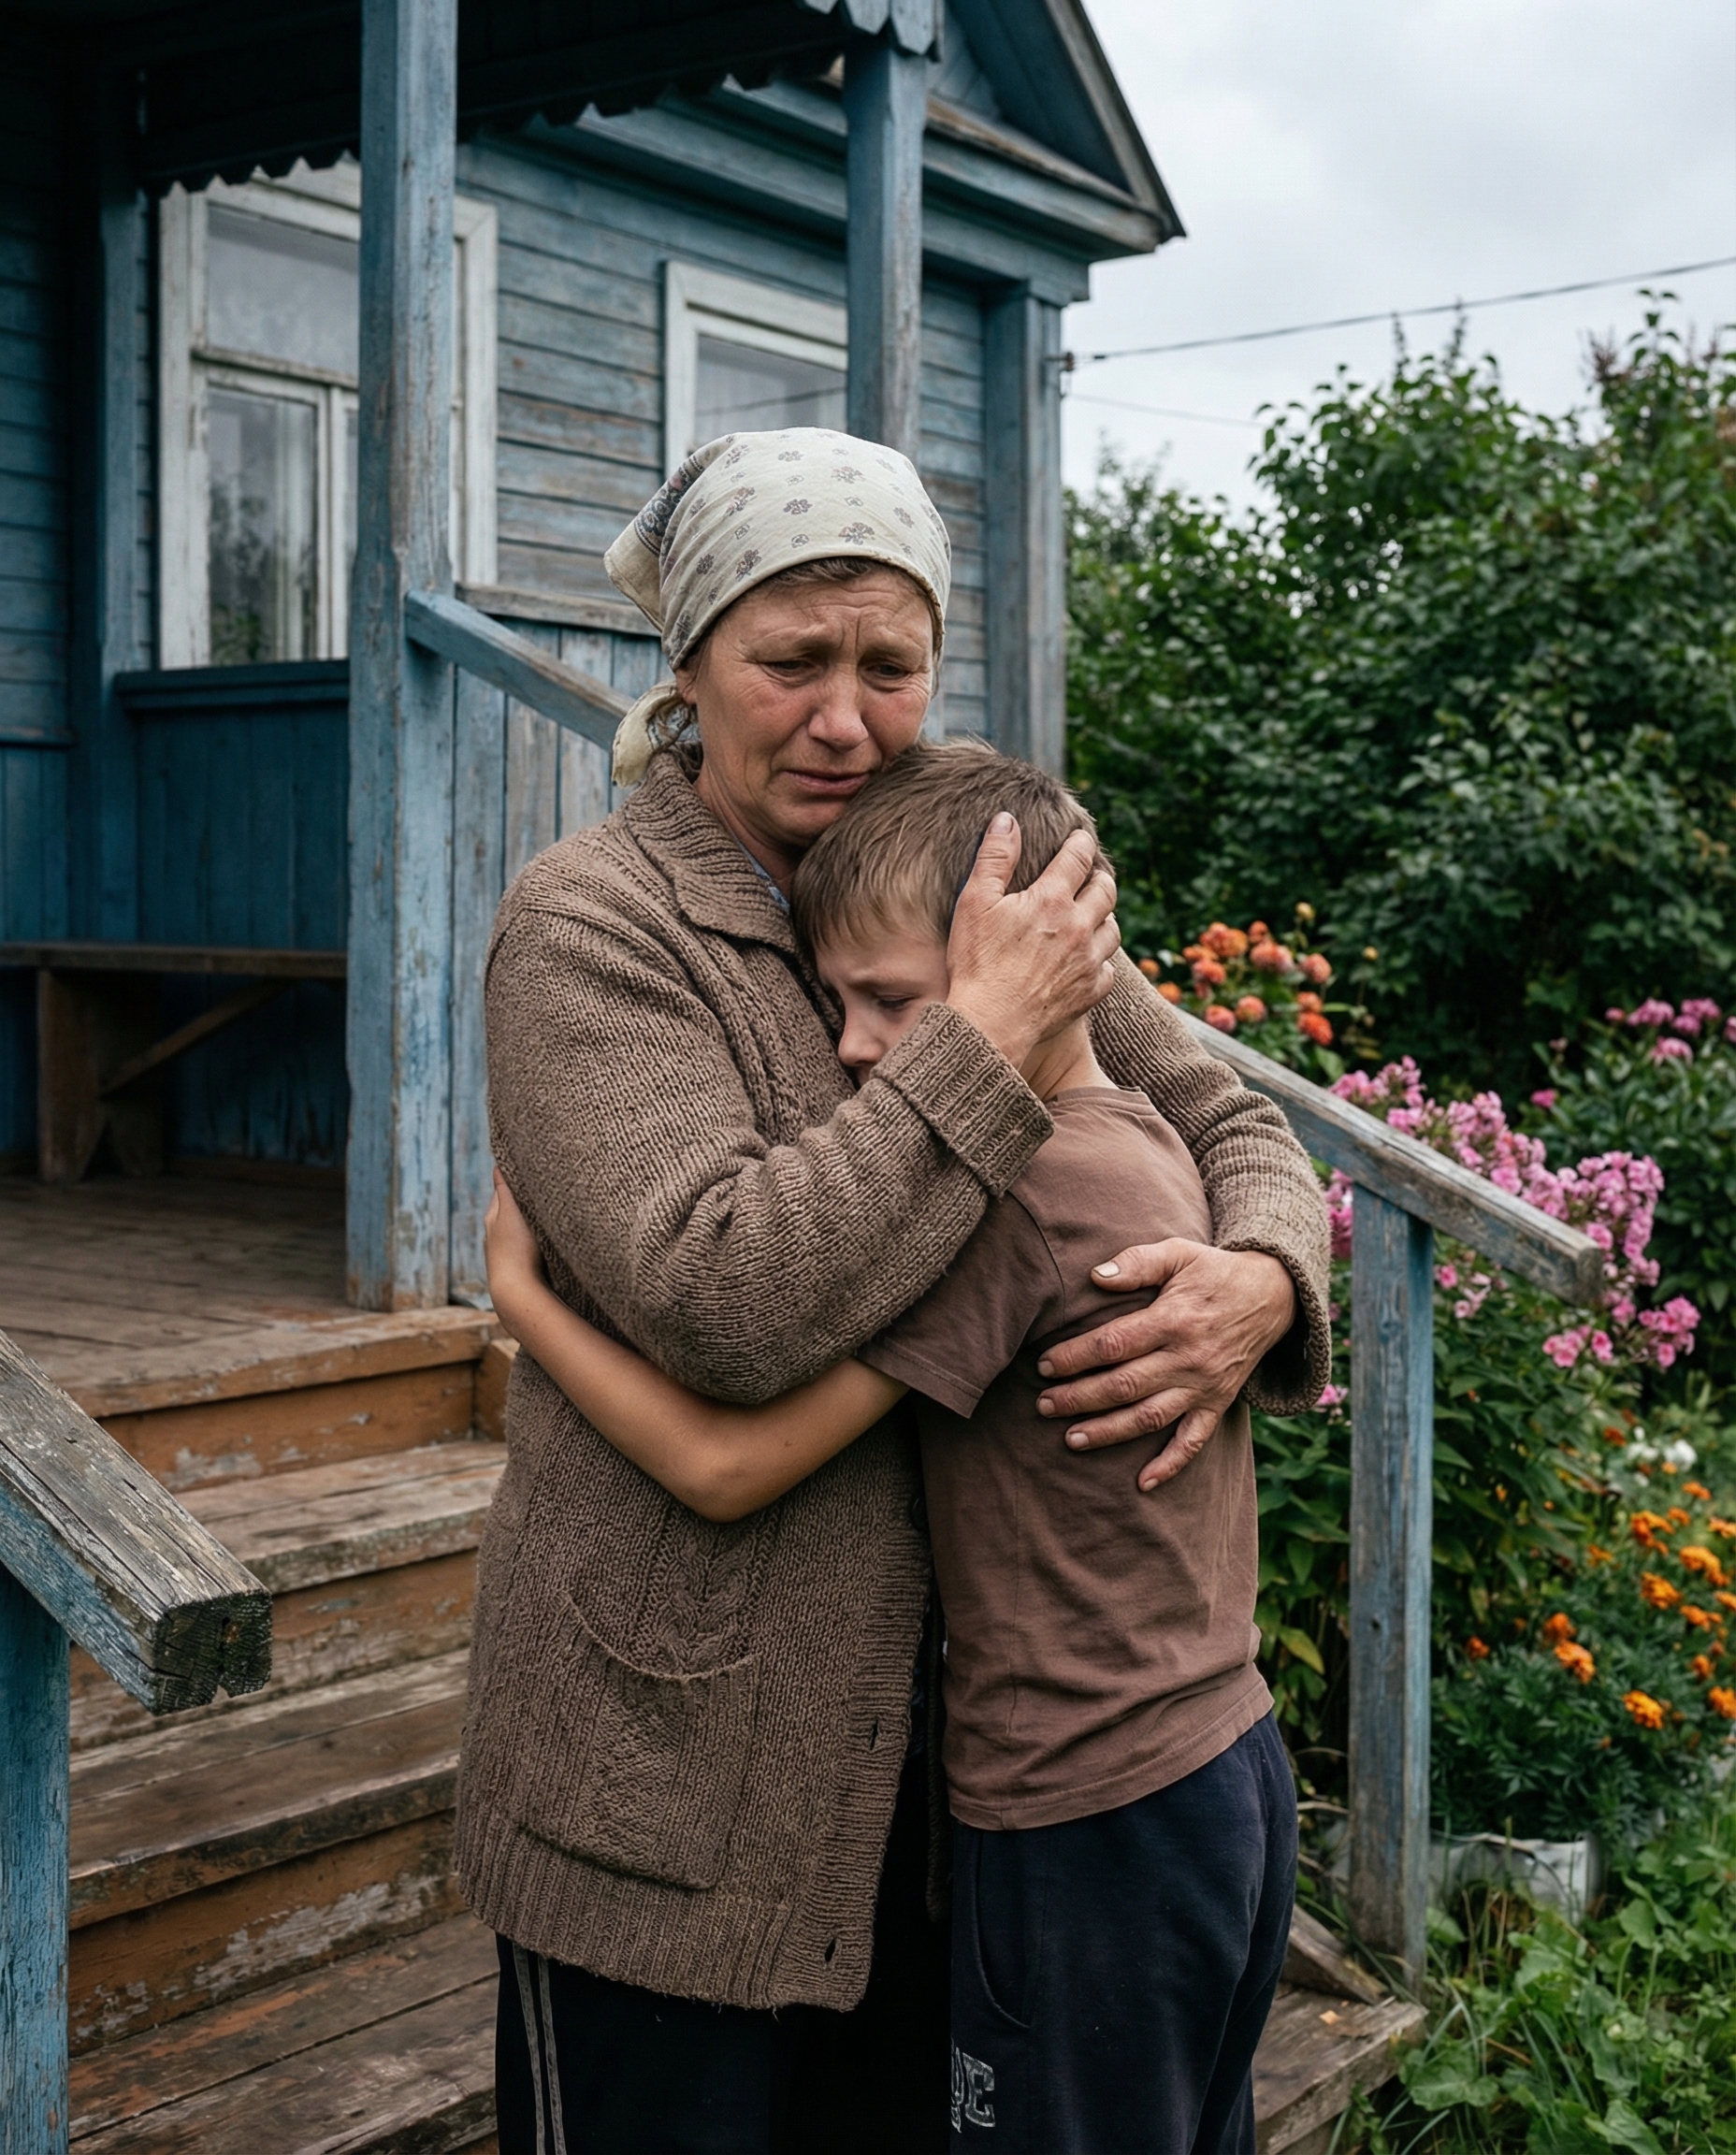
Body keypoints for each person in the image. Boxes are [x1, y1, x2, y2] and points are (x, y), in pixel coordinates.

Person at [457, 426, 1329, 2155]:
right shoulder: (588, 928)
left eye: (892, 664)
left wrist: (1262, 1273)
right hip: (673, 1792)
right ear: (691, 666)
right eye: (792, 663)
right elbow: (718, 1301)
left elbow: (1224, 1106)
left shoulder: (968, 871)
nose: (845, 719)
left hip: (947, 1812)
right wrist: (982, 1040)